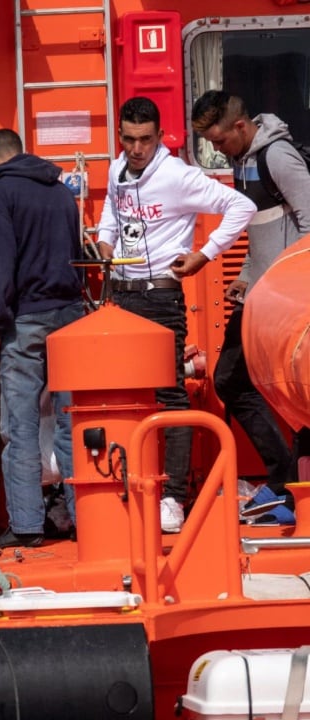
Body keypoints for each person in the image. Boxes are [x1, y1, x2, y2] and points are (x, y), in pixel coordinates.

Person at [96, 97, 256, 533]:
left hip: (161, 297)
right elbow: (113, 206)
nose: (136, 148)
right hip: (122, 296)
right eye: (128, 139)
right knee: (127, 396)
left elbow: (242, 207)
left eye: (145, 140)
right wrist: (105, 239)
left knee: (170, 395)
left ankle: (174, 498)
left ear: (159, 136)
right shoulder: (116, 170)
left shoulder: (177, 176)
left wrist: (204, 255)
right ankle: (128, 488)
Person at [191, 91, 310, 500]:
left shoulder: (277, 157)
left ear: (240, 126)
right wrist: (244, 274)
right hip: (263, 295)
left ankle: (289, 483)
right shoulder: (243, 163)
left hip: (288, 301)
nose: (216, 150)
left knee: (284, 384)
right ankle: (286, 478)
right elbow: (260, 232)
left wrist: (294, 285)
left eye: (219, 141)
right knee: (233, 379)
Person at [0, 129, 85, 548]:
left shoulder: (2, 194)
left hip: (24, 319)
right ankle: (84, 517)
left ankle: (26, 526)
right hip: (70, 314)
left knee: (18, 428)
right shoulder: (60, 191)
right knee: (71, 423)